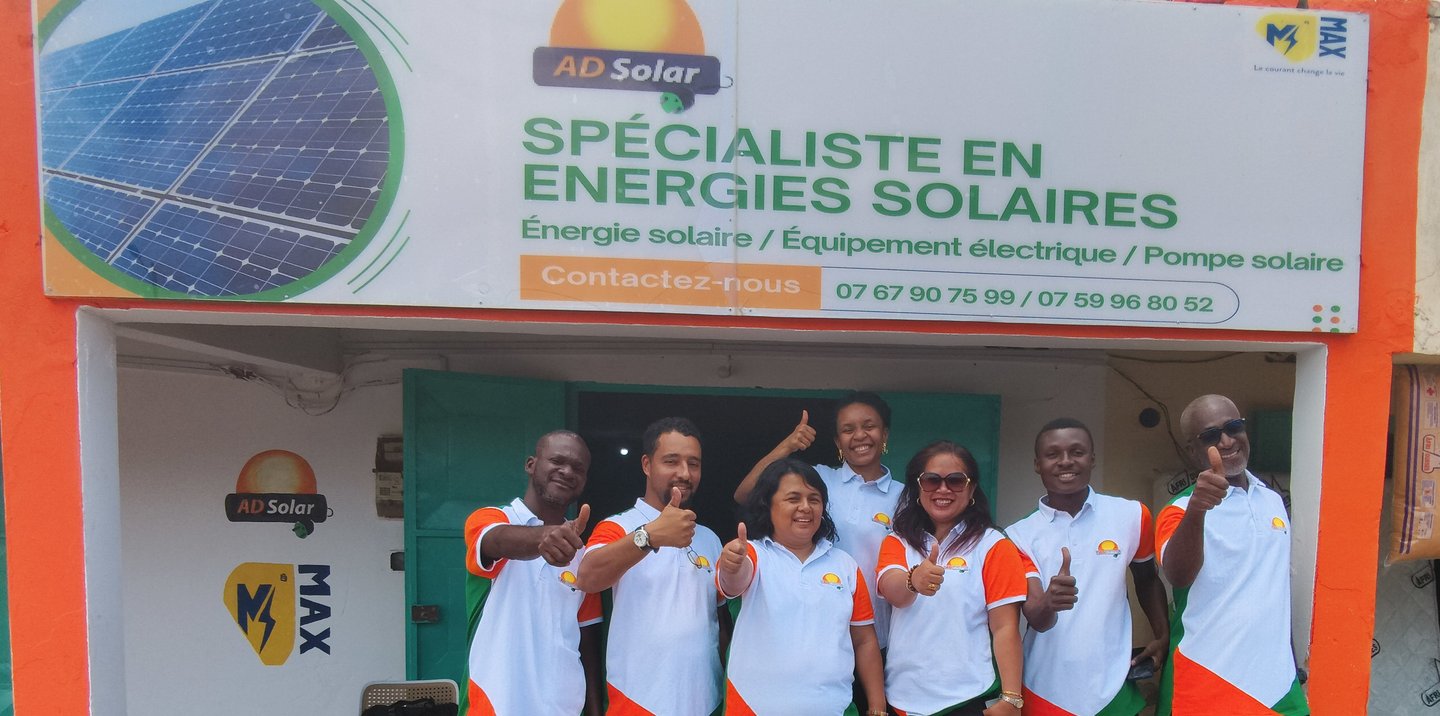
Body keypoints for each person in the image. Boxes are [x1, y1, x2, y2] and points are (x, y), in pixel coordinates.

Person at [1005, 418, 1169, 716]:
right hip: (1044, 691)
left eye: (1077, 452)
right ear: (1037, 464)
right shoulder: (1018, 536)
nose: (1066, 461)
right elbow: (1035, 617)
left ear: (1092, 458)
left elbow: (1147, 579)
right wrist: (1049, 602)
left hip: (1113, 690)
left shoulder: (1132, 515)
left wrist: (1162, 634)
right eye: (1052, 454)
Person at [1156, 395, 1307, 715]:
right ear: (1193, 450)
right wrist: (1197, 510)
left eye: (1234, 427)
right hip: (1208, 681)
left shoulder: (1272, 500)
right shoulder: (1178, 510)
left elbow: (1273, 591)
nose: (1226, 441)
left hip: (1277, 687)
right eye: (1211, 436)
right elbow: (1178, 576)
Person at [574, 417, 725, 715]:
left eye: (693, 464)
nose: (684, 473)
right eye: (672, 461)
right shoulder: (617, 526)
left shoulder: (709, 538)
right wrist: (650, 536)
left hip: (706, 701)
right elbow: (588, 577)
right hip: (638, 702)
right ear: (647, 464)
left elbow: (721, 622)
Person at [717, 458, 887, 716]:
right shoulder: (751, 554)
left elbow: (864, 641)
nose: (805, 507)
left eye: (814, 499)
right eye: (793, 499)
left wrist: (877, 708)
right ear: (768, 505)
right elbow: (732, 582)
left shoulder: (845, 565)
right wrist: (731, 565)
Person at [733, 391, 900, 649]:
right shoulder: (817, 480)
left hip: (876, 637)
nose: (859, 436)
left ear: (885, 434)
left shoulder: (904, 496)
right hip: (815, 630)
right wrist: (788, 446)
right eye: (848, 429)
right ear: (837, 441)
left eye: (869, 426)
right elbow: (745, 494)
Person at [876, 440, 1027, 716]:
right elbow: (892, 590)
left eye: (956, 481)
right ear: (917, 488)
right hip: (902, 698)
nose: (943, 489)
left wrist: (1011, 698)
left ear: (971, 488)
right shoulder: (897, 541)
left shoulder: (993, 545)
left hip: (969, 696)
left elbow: (1005, 627)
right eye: (931, 480)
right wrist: (914, 580)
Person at [461, 431, 602, 716]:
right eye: (557, 461)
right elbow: (495, 540)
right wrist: (544, 537)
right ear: (531, 464)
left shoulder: (583, 556)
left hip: (562, 707)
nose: (567, 472)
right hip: (495, 703)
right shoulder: (491, 519)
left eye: (578, 468)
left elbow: (588, 645)